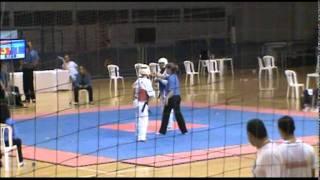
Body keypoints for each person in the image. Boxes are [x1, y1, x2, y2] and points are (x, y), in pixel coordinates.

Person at [157, 63, 188, 135]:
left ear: (169, 69)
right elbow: (163, 77)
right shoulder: (174, 76)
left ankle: (162, 131)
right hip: (178, 97)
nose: (165, 70)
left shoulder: (170, 78)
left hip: (172, 97)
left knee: (166, 114)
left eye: (166, 69)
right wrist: (156, 75)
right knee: (177, 114)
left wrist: (166, 98)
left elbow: (172, 91)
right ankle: (184, 130)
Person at [133, 67, 155, 142]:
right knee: (143, 120)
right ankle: (142, 137)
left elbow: (133, 91)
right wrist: (148, 104)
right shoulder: (147, 81)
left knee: (137, 119)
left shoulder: (137, 80)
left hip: (136, 102)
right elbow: (151, 95)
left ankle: (137, 135)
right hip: (143, 102)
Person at [0, 102, 24, 167]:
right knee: (18, 141)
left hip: (0, 143)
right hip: (8, 143)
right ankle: (20, 161)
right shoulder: (10, 121)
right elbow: (15, 134)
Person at [155, 57, 174, 130]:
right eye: (159, 63)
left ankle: (169, 125)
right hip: (162, 93)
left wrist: (159, 78)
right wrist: (157, 80)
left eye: (162, 63)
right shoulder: (160, 71)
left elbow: (167, 83)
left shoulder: (168, 72)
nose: (160, 65)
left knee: (168, 110)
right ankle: (166, 124)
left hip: (168, 93)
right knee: (163, 110)